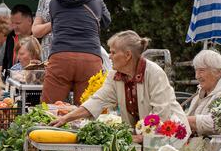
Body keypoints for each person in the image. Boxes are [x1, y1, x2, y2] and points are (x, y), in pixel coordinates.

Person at [51, 31, 189, 132]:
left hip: (172, 134)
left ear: (128, 55)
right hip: (144, 137)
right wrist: (66, 118)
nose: (109, 57)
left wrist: (141, 137)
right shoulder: (115, 76)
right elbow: (96, 101)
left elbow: (161, 113)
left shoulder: (154, 73)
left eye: (113, 52)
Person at [40, 0, 111, 105]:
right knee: (87, 110)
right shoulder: (97, 2)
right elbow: (106, 21)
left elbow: (54, 23)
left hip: (61, 58)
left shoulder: (55, 2)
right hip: (90, 58)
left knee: (50, 109)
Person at [186, 49, 221, 135]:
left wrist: (185, 120)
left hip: (219, 147)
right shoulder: (201, 92)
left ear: (218, 72)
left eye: (201, 70)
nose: (196, 76)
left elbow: (217, 121)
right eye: (196, 70)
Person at [1, 5, 34, 75]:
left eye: (18, 23)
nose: (14, 27)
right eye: (12, 23)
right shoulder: (10, 36)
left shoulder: (37, 39)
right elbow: (5, 61)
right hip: (10, 81)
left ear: (30, 21)